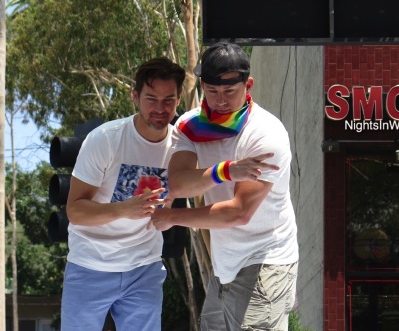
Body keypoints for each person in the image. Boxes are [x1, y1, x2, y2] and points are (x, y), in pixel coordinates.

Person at [151, 42, 299, 330]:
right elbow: (178, 184)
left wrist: (172, 217)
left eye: (230, 91)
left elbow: (239, 212)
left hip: (267, 257)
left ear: (248, 85)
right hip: (225, 262)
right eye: (212, 91)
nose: (220, 100)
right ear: (202, 86)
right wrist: (226, 171)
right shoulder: (191, 126)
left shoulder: (265, 135)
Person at [61, 57, 185, 331]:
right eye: (151, 99)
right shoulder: (105, 139)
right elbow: (75, 211)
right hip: (89, 265)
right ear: (135, 97)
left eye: (168, 100)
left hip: (144, 268)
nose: (160, 109)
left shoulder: (182, 147)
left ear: (178, 100)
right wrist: (123, 209)